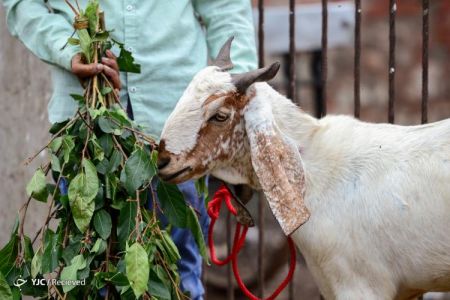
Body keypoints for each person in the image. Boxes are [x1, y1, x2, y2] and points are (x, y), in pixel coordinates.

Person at [3, 0, 257, 299]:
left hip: (177, 124)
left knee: (179, 274)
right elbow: (22, 4)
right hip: (84, 131)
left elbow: (225, 9)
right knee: (87, 273)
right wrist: (67, 49)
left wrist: (236, 96)